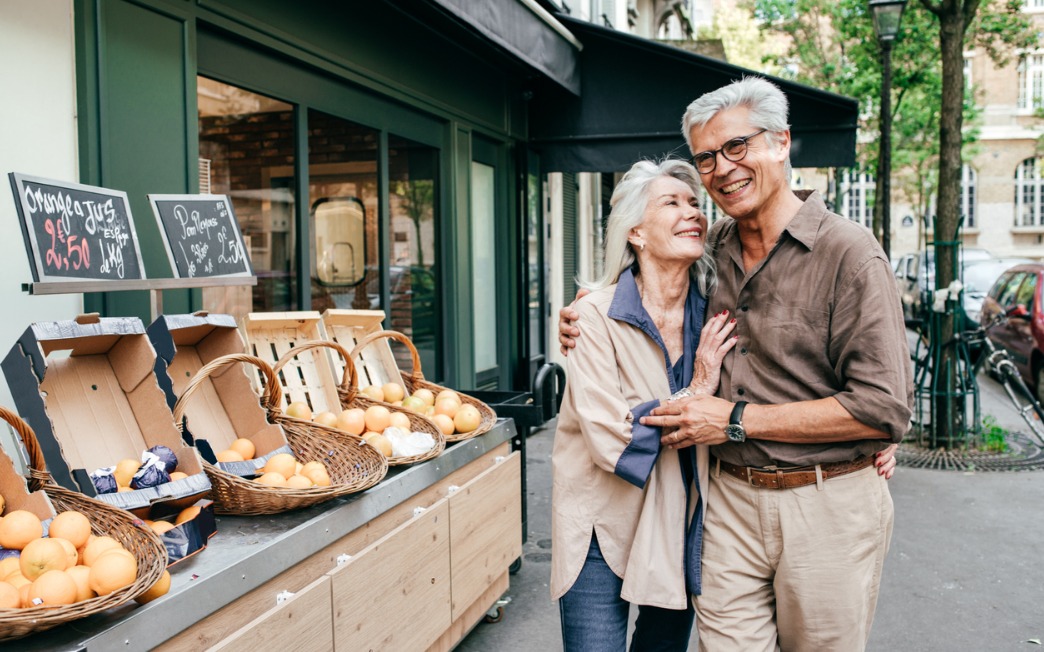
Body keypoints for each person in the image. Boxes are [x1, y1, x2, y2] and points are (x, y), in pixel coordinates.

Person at [559, 76, 910, 651]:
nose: (721, 169)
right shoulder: (712, 251)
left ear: (781, 142)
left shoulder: (850, 252)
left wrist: (736, 419)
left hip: (824, 504)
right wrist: (582, 311)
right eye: (706, 158)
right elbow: (642, 285)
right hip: (725, 506)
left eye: (736, 147)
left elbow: (882, 406)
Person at [551, 158, 738, 650]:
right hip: (599, 524)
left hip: (680, 520)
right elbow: (611, 435)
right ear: (635, 230)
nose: (692, 212)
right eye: (671, 202)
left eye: (695, 203)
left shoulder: (716, 316)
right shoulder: (593, 315)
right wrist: (698, 392)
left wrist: (865, 437)